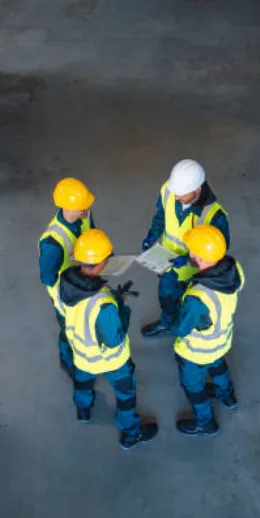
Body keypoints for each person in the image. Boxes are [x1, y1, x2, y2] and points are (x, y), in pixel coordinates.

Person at [57, 229, 159, 450]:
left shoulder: (67, 284)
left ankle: (83, 410)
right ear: (102, 262)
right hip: (112, 361)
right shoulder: (104, 304)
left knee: (82, 383)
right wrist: (121, 307)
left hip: (82, 356)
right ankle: (130, 433)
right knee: (126, 394)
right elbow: (114, 338)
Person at [164, 225, 244, 436]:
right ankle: (227, 396)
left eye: (190, 250)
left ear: (197, 256)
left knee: (193, 387)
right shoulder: (234, 270)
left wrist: (170, 309)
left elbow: (179, 328)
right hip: (221, 342)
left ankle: (205, 422)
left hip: (196, 353)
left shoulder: (198, 298)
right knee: (218, 368)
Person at [140, 159, 230, 338]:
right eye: (176, 193)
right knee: (166, 297)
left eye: (183, 195)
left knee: (191, 306)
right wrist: (153, 234)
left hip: (196, 274)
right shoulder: (169, 190)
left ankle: (188, 333)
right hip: (168, 265)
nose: (177, 197)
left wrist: (188, 260)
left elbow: (219, 250)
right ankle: (167, 323)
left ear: (198, 190)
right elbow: (161, 215)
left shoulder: (213, 215)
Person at [39, 178, 95, 378]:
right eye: (83, 206)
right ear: (68, 208)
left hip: (85, 283)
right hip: (66, 295)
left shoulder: (84, 215)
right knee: (69, 330)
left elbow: (92, 236)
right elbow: (48, 279)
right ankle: (67, 361)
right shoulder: (52, 243)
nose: (87, 209)